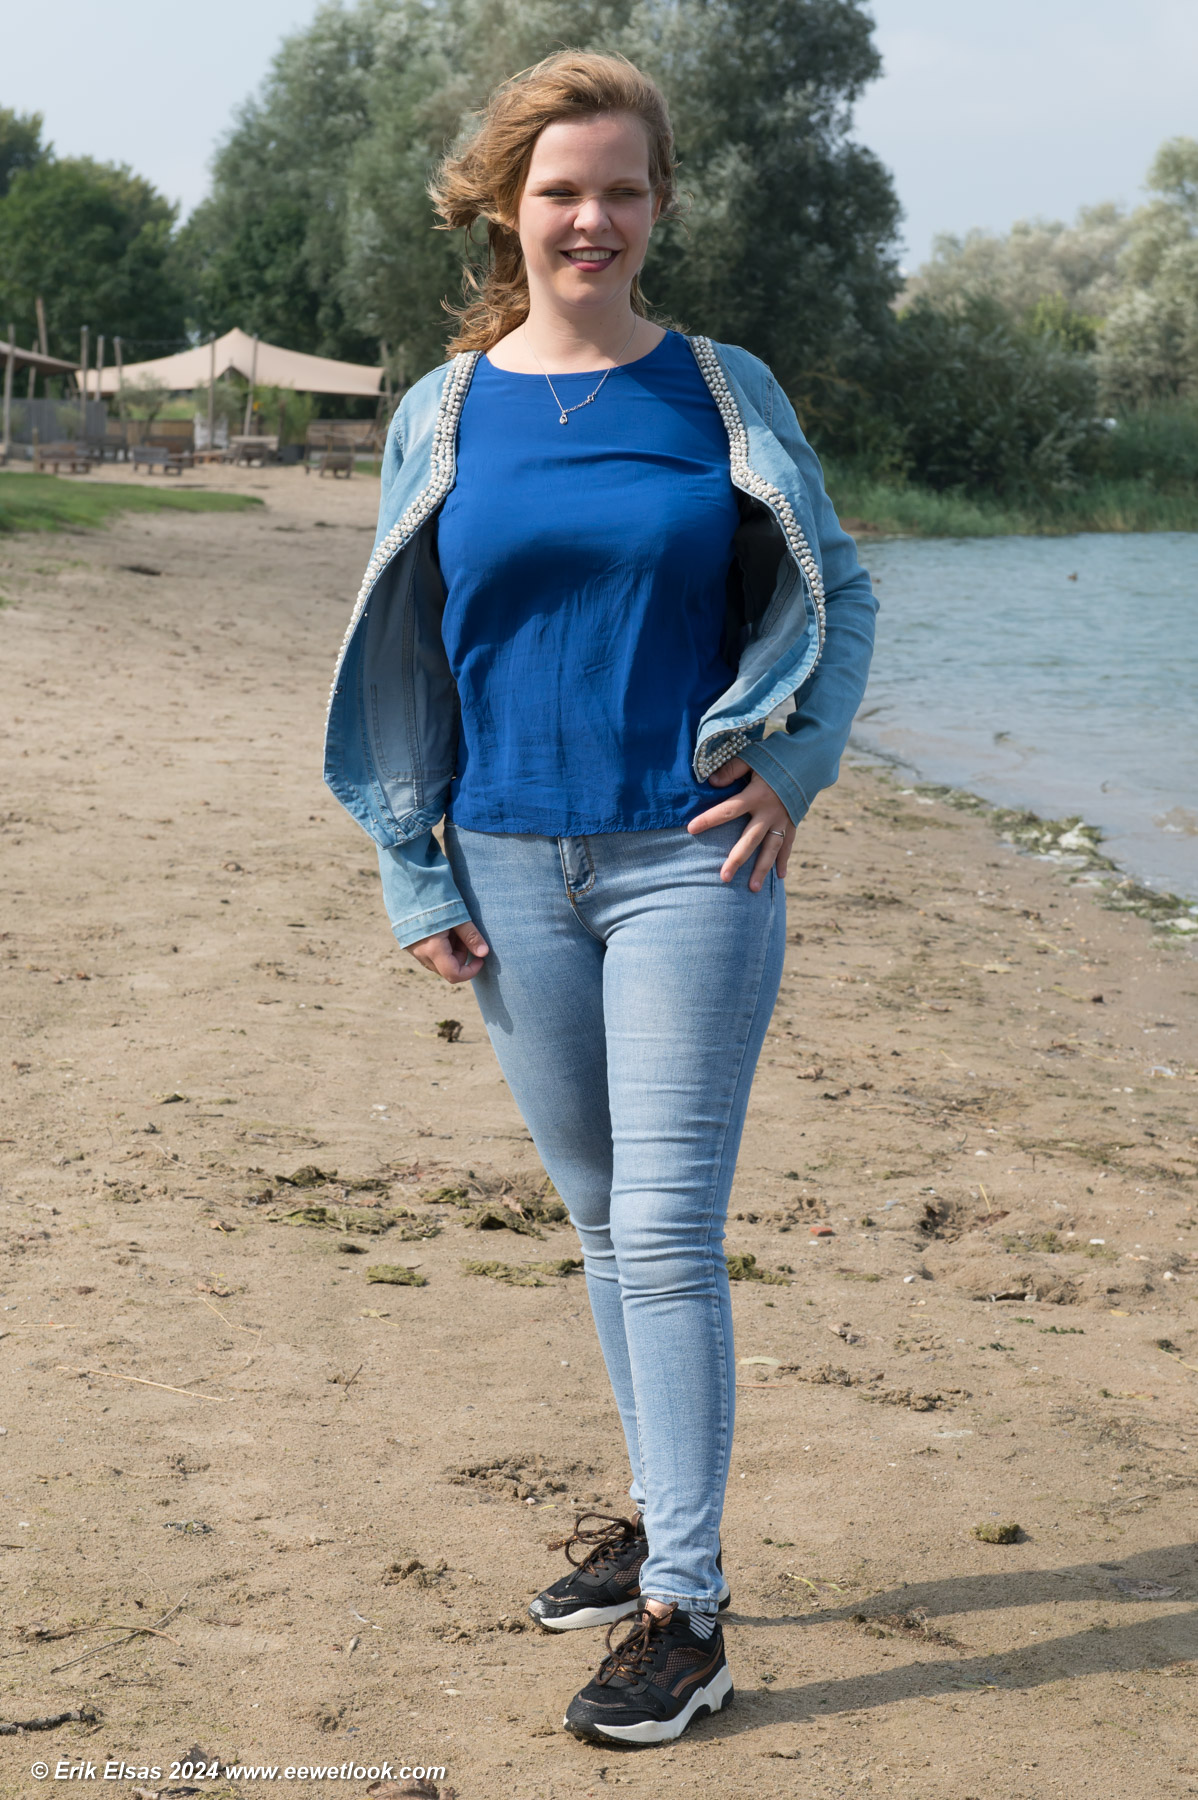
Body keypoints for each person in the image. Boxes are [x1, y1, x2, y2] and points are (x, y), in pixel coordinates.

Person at [323, 49, 877, 1748]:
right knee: (598, 1216)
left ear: (656, 206)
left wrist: (793, 768)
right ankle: (653, 1516)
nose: (592, 219)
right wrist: (414, 865)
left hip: (686, 857)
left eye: (621, 190)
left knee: (667, 1227)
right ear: (507, 205)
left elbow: (841, 595)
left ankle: (685, 1614)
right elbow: (412, 648)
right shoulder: (444, 408)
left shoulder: (718, 389)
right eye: (560, 190)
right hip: (507, 859)